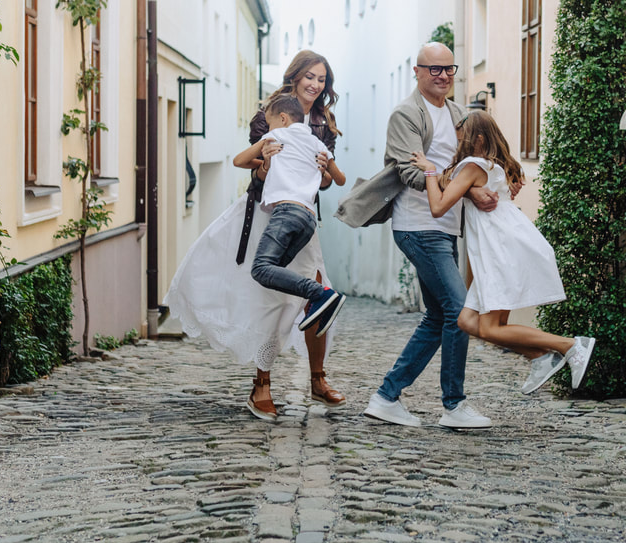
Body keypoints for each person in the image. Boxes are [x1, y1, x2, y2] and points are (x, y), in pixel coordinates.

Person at [165, 50, 345, 421]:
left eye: (322, 79)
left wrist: (325, 173)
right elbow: (256, 174)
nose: (315, 84)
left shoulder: (325, 124)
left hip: (304, 215)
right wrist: (264, 164)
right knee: (268, 297)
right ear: (295, 77)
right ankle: (261, 384)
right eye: (309, 76)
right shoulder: (270, 115)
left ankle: (317, 378)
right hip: (268, 213)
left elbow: (325, 183)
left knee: (316, 293)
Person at [336, 42, 498, 429]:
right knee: (460, 312)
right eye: (434, 69)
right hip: (417, 226)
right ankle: (454, 405)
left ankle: (387, 396)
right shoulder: (406, 115)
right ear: (418, 72)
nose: (443, 76)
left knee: (439, 316)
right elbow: (410, 173)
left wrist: (483, 184)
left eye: (448, 69)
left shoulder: (460, 113)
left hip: (445, 227)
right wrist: (469, 188)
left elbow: (472, 163)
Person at [410, 109, 595, 395]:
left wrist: (430, 171)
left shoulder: (472, 165)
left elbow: (438, 207)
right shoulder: (498, 166)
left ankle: (570, 345)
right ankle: (541, 358)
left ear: (478, 139)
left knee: (492, 327)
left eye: (463, 140)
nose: (459, 146)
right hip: (507, 246)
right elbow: (460, 184)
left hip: (500, 252)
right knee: (467, 321)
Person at [234, 95, 347, 335]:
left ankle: (321, 294)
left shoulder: (278, 135)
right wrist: (326, 166)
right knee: (275, 271)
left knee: (261, 269)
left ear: (283, 119)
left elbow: (239, 161)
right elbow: (340, 180)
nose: (269, 128)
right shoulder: (317, 143)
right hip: (308, 219)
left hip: (286, 212)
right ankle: (320, 301)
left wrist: (264, 154)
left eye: (270, 122)